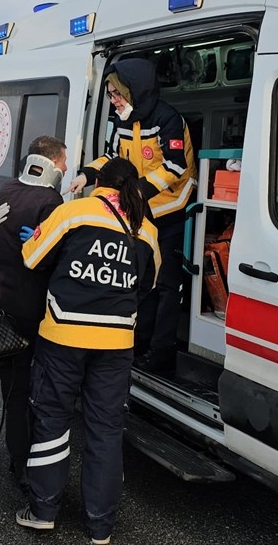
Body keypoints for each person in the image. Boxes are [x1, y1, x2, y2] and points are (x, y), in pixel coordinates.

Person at [15, 158, 159, 545]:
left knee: (52, 421)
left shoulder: (74, 211)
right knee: (106, 430)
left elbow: (31, 257)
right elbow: (147, 284)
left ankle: (43, 511)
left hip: (63, 337)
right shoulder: (146, 229)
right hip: (115, 344)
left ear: (98, 183)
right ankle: (101, 526)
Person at [68, 58, 195, 372]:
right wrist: (87, 174)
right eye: (110, 95)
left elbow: (176, 166)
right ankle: (139, 346)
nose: (113, 101)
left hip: (170, 213)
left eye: (116, 95)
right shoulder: (124, 120)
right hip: (142, 215)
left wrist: (137, 191)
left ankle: (162, 355)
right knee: (145, 283)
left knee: (167, 286)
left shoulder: (168, 119)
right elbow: (112, 158)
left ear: (134, 91)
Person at [0, 135, 68, 490]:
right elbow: (44, 257)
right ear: (51, 162)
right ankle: (24, 465)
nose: (64, 168)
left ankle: (19, 459)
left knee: (11, 384)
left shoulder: (9, 189)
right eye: (63, 161)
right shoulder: (50, 198)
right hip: (27, 303)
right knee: (25, 386)